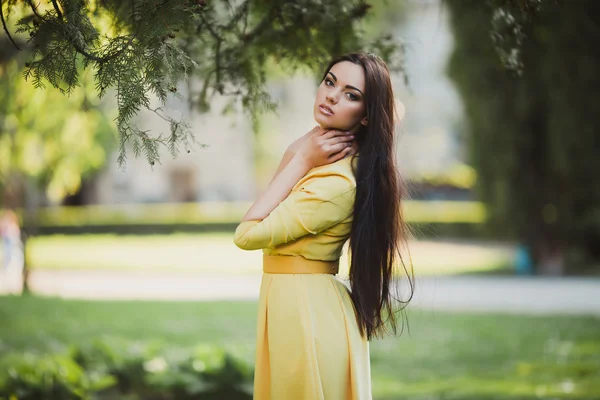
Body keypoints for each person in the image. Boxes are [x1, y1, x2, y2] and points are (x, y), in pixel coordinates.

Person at [233, 52, 414, 400]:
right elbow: (274, 205)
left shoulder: (336, 184)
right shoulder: (324, 163)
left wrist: (299, 156)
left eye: (351, 94)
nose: (331, 95)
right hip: (296, 303)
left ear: (365, 117)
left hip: (308, 313)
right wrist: (298, 154)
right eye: (330, 81)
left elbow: (248, 233)